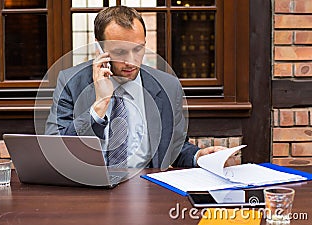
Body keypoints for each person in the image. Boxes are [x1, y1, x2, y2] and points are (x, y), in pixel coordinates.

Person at [45, 6, 227, 169]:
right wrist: (99, 105)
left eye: (138, 49)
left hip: (147, 189)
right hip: (90, 190)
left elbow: (175, 148)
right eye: (120, 52)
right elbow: (55, 148)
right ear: (99, 49)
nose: (131, 61)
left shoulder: (168, 87)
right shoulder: (71, 82)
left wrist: (198, 156)